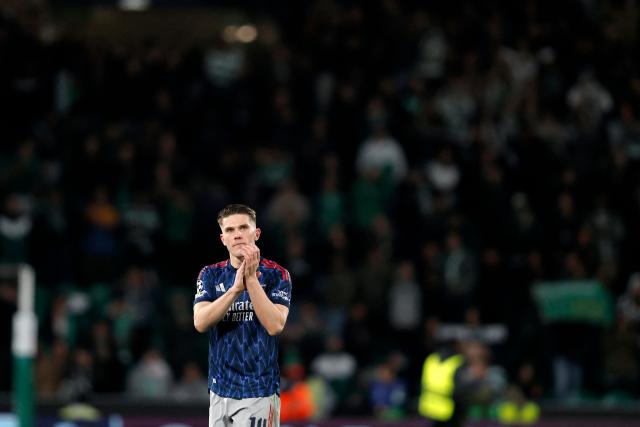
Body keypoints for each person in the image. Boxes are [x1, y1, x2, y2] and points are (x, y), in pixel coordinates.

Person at [193, 204, 293, 427]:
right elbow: (200, 322)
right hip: (219, 391)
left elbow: (275, 325)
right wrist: (235, 289)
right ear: (223, 239)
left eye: (243, 227)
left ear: (256, 233)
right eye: (229, 230)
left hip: (259, 390)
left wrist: (251, 279)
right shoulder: (210, 274)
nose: (237, 234)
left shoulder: (277, 275)